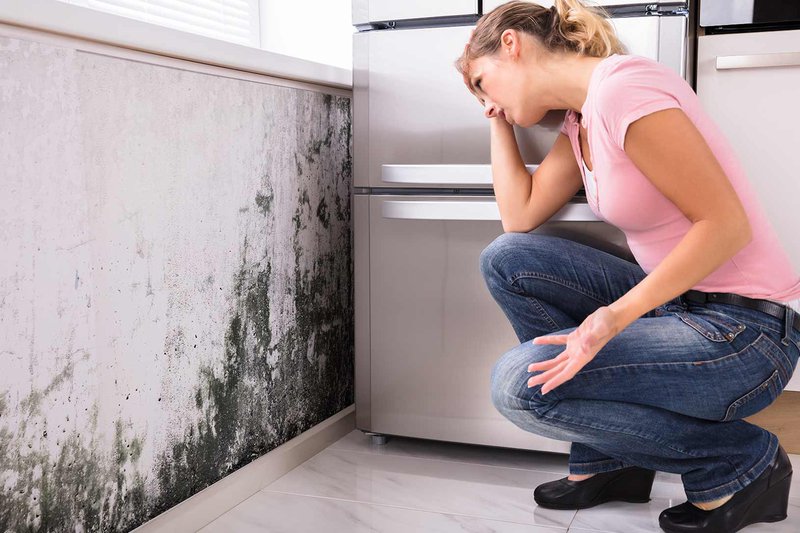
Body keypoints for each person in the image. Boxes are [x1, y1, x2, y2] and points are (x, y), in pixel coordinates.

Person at [455, 1, 800, 532]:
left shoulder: (625, 90)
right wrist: (498, 120)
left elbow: (727, 225)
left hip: (745, 332)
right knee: (510, 261)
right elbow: (518, 216)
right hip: (680, 307)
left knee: (519, 386)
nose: (482, 98)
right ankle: (610, 462)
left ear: (511, 45)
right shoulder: (581, 118)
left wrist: (611, 318)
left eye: (481, 82)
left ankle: (737, 461)